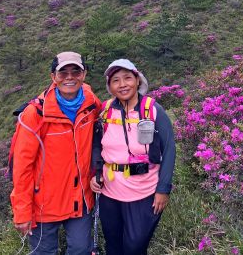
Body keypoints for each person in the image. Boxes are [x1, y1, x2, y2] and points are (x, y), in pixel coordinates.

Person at [10, 51, 101, 254]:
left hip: (80, 202)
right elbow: (22, 166)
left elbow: (98, 142)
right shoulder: (35, 114)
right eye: (63, 73)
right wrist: (22, 210)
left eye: (75, 71)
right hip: (43, 205)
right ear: (53, 77)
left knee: (80, 250)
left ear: (84, 74)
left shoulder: (91, 104)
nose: (70, 77)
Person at [90, 59, 175, 255]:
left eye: (128, 78)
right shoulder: (105, 110)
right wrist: (95, 174)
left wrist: (163, 189)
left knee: (135, 247)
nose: (122, 84)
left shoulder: (153, 110)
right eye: (116, 80)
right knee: (114, 246)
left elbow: (169, 149)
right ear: (110, 87)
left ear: (137, 80)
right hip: (110, 193)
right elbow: (96, 146)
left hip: (144, 193)